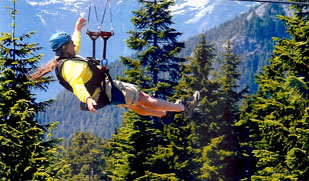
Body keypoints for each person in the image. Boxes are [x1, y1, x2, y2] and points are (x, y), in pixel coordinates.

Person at [29, 17, 200, 120]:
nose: (74, 44)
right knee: (143, 98)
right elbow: (77, 85)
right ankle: (184, 108)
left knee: (135, 105)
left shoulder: (65, 60)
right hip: (105, 89)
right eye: (71, 43)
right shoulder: (70, 67)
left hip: (103, 92)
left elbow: (77, 44)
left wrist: (77, 30)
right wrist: (87, 99)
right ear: (64, 47)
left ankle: (164, 114)